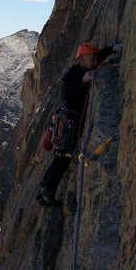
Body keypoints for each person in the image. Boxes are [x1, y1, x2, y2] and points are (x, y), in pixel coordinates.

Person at [36, 42, 121, 206]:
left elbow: (98, 55)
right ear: (81, 59)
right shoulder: (74, 74)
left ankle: (43, 189)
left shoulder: (85, 67)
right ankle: (47, 193)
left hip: (69, 120)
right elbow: (69, 96)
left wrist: (111, 49)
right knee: (62, 159)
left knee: (59, 159)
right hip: (69, 122)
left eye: (95, 58)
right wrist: (83, 81)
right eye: (91, 58)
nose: (95, 61)